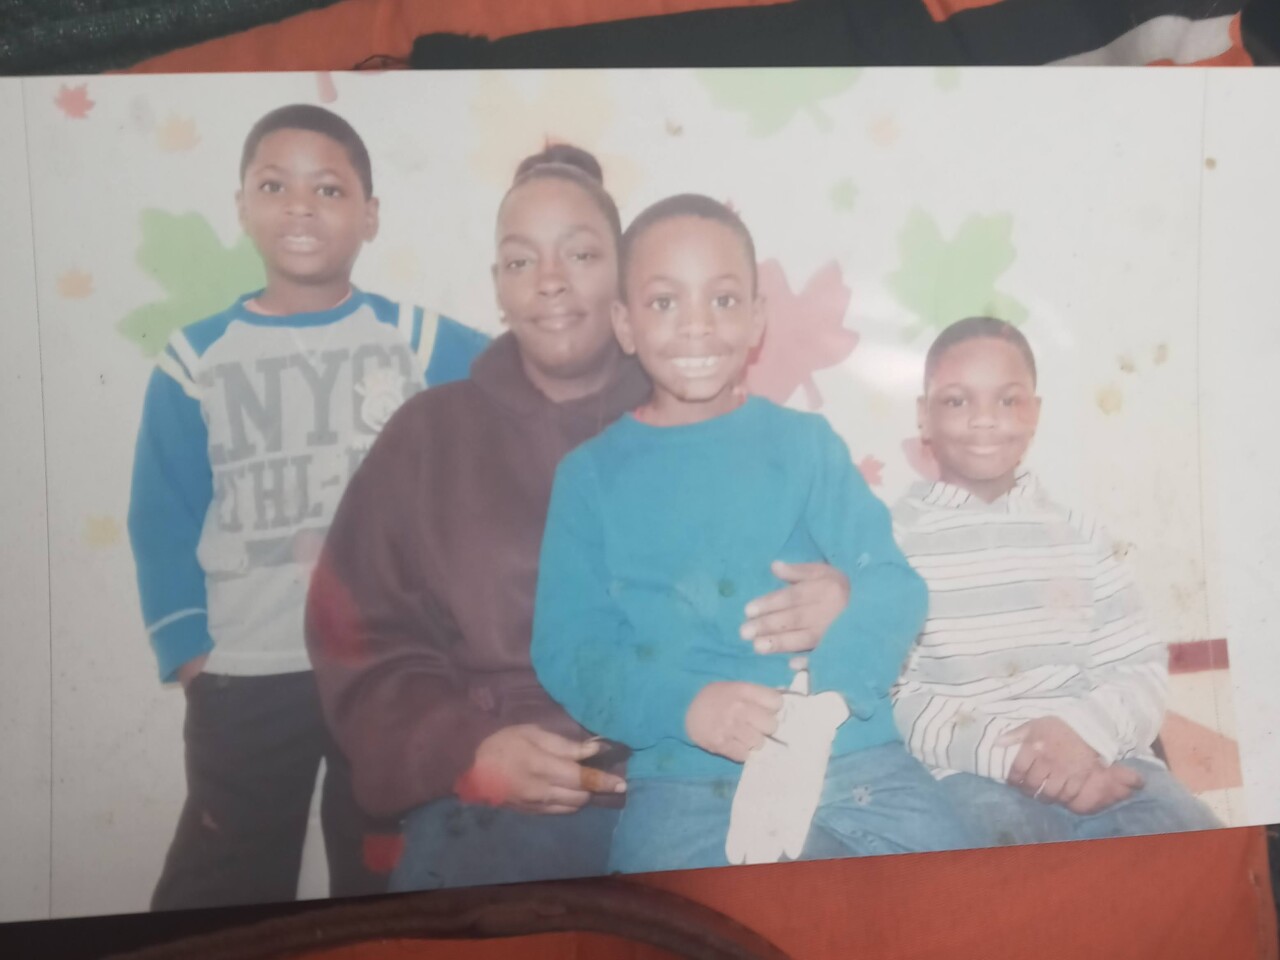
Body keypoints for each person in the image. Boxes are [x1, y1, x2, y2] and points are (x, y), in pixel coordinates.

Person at [306, 148, 853, 891]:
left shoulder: (722, 424)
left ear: (625, 286)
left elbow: (819, 591)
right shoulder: (428, 437)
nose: (552, 282)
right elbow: (362, 643)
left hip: (701, 777)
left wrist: (836, 598)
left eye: (582, 254)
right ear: (498, 286)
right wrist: (469, 750)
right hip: (499, 811)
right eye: (521, 260)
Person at [531, 194, 971, 875]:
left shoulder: (804, 444)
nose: (698, 327)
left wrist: (829, 696)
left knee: (961, 901)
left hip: (852, 756)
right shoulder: (589, 477)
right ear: (623, 322)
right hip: (688, 780)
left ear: (758, 319)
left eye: (725, 300)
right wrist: (689, 707)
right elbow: (571, 650)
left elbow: (893, 582)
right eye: (665, 302)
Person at [127, 103, 488, 911]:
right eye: (274, 184)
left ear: (369, 215)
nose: (300, 205)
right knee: (222, 884)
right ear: (243, 207)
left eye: (328, 189)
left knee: (387, 873)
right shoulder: (195, 359)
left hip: (389, 668)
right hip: (248, 671)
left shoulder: (418, 340)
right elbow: (161, 516)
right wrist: (191, 654)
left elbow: (525, 382)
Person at [891, 316, 1221, 845]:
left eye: (1007, 400)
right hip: (974, 776)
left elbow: (1138, 667)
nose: (984, 420)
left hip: (1101, 760)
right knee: (1019, 886)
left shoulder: (1081, 535)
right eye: (957, 401)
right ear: (923, 418)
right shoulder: (896, 543)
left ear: (1035, 414)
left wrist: (1083, 738)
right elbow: (895, 695)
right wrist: (1016, 758)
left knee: (1201, 845)